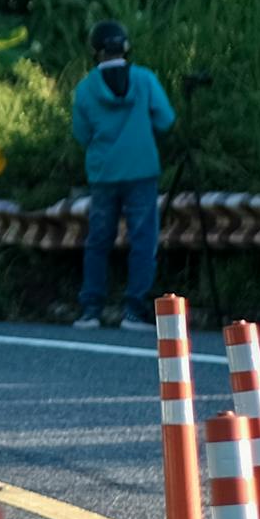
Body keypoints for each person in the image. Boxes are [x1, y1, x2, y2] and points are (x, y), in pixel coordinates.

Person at [68, 19, 176, 330]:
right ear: (125, 47)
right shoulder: (144, 80)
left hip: (103, 173)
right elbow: (166, 120)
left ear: (96, 52)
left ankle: (91, 309)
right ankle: (134, 309)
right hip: (141, 169)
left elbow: (81, 133)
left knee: (98, 240)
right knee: (143, 239)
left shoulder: (87, 87)